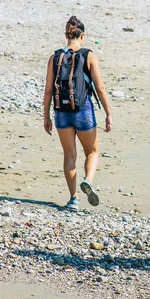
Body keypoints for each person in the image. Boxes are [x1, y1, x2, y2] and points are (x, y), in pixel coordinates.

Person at [43, 16, 112, 210]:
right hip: (83, 110)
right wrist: (108, 112)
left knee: (69, 154)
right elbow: (100, 87)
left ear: (66, 35)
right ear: (82, 35)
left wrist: (46, 116)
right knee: (92, 151)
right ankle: (88, 180)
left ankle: (73, 199)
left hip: (61, 111)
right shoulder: (88, 55)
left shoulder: (54, 57)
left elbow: (48, 90)